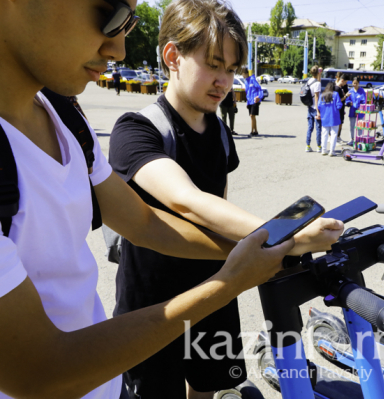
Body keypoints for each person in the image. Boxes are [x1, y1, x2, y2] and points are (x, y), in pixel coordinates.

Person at [0, 1, 304, 398]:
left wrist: (252, 250)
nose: (119, 51)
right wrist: (234, 277)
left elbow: (144, 222)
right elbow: (38, 373)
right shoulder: (137, 127)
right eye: (107, 14)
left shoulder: (65, 117)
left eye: (130, 23)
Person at [108, 2, 344, 398]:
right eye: (213, 64)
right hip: (153, 304)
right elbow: (187, 200)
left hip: (217, 287)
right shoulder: (136, 130)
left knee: (210, 388)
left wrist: (262, 253)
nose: (224, 81)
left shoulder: (219, 132)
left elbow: (219, 213)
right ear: (172, 56)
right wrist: (286, 236)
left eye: (232, 70)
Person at [318, 82, 343, 156]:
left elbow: (319, 106)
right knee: (334, 134)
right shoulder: (335, 94)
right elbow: (339, 105)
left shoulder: (322, 95)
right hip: (334, 117)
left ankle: (324, 150)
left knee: (324, 134)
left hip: (324, 117)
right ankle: (332, 151)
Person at [241, 67, 263, 136]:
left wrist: (259, 97)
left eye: (243, 74)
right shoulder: (246, 82)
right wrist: (247, 103)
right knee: (252, 117)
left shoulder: (252, 79)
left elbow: (259, 88)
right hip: (250, 101)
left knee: (252, 115)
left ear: (246, 73)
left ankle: (252, 131)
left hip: (254, 100)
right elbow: (247, 93)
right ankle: (256, 131)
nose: (242, 76)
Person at [305, 65, 322, 152]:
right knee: (318, 128)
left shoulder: (309, 81)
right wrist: (318, 111)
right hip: (315, 108)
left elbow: (317, 81)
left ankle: (307, 145)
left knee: (310, 127)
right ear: (318, 72)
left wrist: (319, 75)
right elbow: (316, 97)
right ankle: (319, 146)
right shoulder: (317, 83)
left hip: (309, 106)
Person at [346, 78, 366, 147]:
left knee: (360, 126)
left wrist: (358, 109)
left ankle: (359, 139)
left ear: (358, 83)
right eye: (353, 83)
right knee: (352, 126)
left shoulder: (361, 91)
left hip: (360, 112)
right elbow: (347, 100)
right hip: (352, 111)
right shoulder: (350, 91)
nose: (354, 85)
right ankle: (351, 139)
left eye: (356, 83)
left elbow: (363, 101)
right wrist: (349, 103)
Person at [334, 72, 350, 141]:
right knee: (336, 123)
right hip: (337, 108)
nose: (346, 84)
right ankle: (334, 138)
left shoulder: (341, 87)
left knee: (340, 122)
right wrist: (346, 96)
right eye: (345, 82)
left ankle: (337, 136)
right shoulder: (337, 88)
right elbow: (339, 99)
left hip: (341, 107)